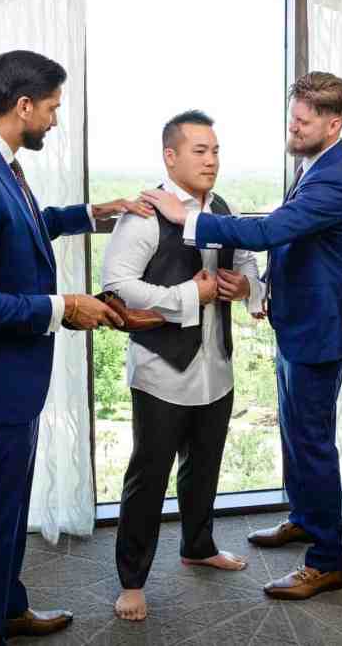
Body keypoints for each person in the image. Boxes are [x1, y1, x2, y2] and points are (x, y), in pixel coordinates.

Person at [0, 49, 150, 645]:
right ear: (23, 105)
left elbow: (23, 226)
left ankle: (6, 607)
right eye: (51, 108)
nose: (54, 119)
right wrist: (64, 307)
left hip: (13, 379)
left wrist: (92, 213)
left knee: (9, 511)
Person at [142, 72, 342, 601]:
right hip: (298, 323)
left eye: (303, 121)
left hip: (319, 333)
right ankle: (306, 519)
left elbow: (270, 232)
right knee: (295, 437)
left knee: (312, 445)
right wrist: (261, 293)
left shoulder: (335, 178)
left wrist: (189, 217)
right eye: (292, 116)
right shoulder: (313, 164)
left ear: (332, 124)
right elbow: (295, 244)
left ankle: (327, 560)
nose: (292, 126)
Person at [102, 110, 262, 621]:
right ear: (170, 156)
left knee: (204, 467)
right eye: (200, 151)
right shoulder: (144, 213)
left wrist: (243, 288)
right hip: (161, 371)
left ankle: (198, 545)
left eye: (216, 150)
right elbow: (119, 284)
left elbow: (248, 265)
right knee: (149, 476)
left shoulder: (222, 208)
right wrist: (186, 296)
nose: (212, 160)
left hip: (216, 366)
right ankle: (132, 580)